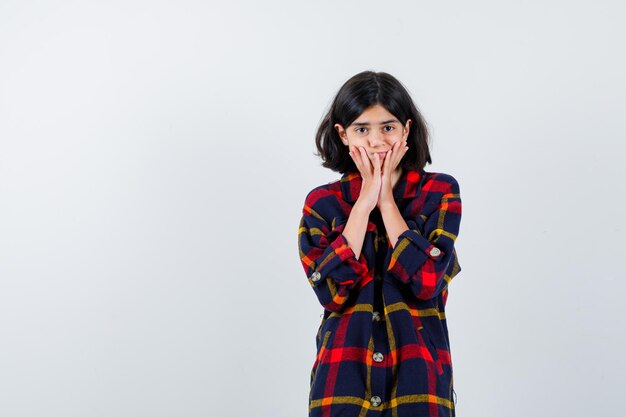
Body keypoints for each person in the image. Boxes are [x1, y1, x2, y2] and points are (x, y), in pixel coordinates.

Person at [297, 70, 463, 417]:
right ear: (342, 134)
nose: (376, 141)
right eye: (362, 129)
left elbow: (427, 282)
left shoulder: (439, 193)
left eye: (387, 127)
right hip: (342, 382)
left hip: (419, 383)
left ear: (406, 129)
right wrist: (363, 203)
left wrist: (386, 201)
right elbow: (332, 293)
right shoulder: (322, 203)